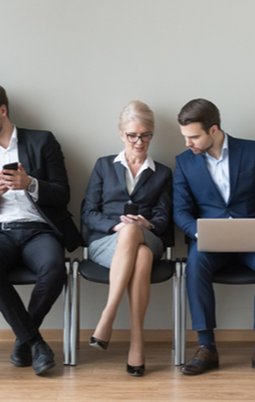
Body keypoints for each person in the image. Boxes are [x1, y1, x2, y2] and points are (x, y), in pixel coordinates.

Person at [0, 83, 81, 375]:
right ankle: (35, 342)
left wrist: (31, 184)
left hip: (39, 230)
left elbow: (64, 194)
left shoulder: (43, 141)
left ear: (2, 110)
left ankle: (23, 340)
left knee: (54, 270)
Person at [173, 98, 255, 377]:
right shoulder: (184, 163)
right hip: (210, 241)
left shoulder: (252, 151)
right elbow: (180, 210)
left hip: (253, 238)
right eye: (185, 137)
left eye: (194, 136)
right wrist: (200, 233)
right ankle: (206, 347)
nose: (188, 143)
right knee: (195, 264)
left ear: (213, 130)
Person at [81, 101, 172, 377]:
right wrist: (115, 227)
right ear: (122, 134)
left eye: (145, 135)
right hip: (106, 242)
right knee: (138, 252)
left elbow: (165, 218)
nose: (139, 141)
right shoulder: (103, 165)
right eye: (132, 135)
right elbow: (88, 212)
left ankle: (107, 317)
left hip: (149, 237)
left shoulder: (163, 173)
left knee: (137, 235)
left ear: (151, 135)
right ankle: (136, 342)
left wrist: (147, 223)